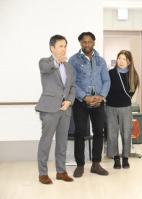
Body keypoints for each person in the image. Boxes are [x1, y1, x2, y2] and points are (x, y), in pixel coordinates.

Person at [69, 32, 111, 177]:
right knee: (80, 132)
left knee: (99, 131)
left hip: (98, 102)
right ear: (80, 43)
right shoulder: (73, 60)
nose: (87, 45)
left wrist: (101, 96)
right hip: (81, 102)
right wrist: (84, 97)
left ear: (94, 42)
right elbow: (72, 82)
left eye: (90, 42)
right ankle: (80, 165)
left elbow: (106, 80)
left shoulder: (100, 60)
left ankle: (96, 164)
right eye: (84, 42)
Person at [35, 35, 75, 184]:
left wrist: (69, 101)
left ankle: (61, 171)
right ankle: (42, 173)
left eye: (65, 46)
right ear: (52, 48)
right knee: (46, 141)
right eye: (60, 46)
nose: (64, 48)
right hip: (49, 109)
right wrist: (58, 61)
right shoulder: (45, 62)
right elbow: (46, 68)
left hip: (65, 110)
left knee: (62, 142)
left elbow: (72, 87)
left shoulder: (69, 66)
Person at [106, 50, 140, 169]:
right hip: (110, 107)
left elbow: (131, 93)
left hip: (125, 107)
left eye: (124, 59)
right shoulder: (110, 73)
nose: (121, 61)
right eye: (119, 58)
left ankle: (125, 158)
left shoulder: (133, 75)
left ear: (129, 62)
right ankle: (115, 158)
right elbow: (106, 89)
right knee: (112, 134)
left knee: (126, 133)